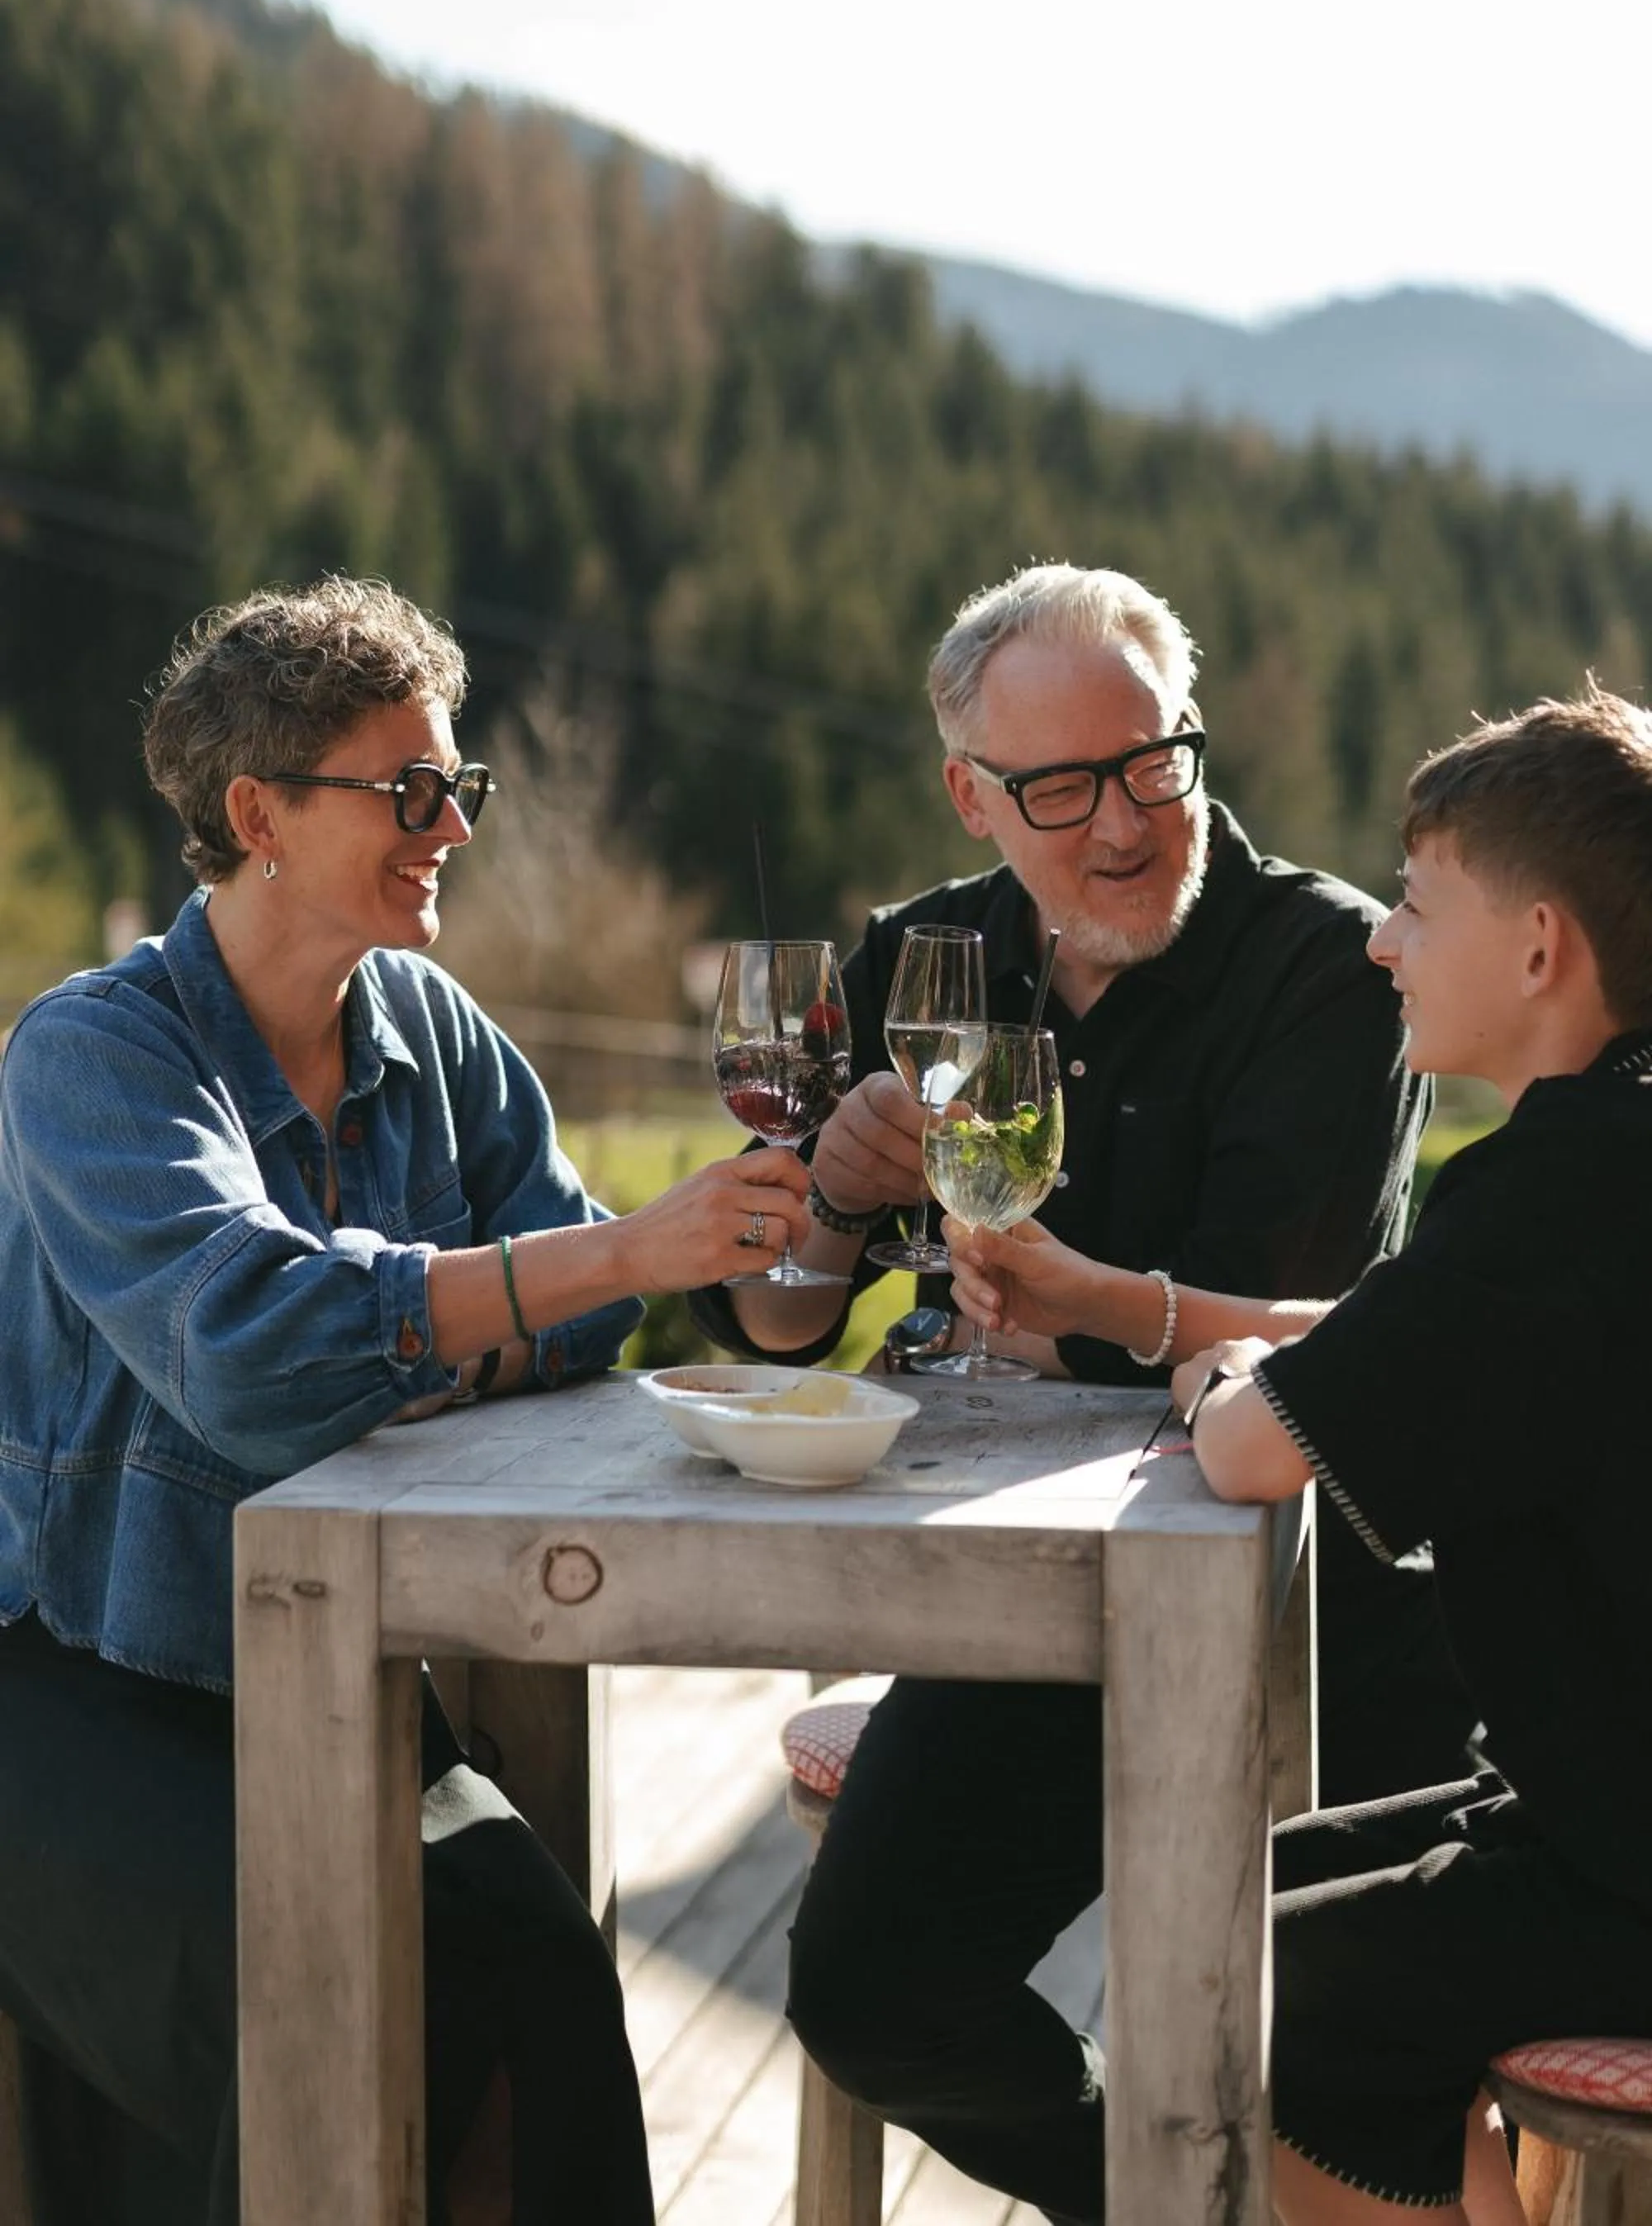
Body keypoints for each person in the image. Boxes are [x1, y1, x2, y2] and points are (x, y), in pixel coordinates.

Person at [0, 576, 809, 2226]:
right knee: (300, 1983)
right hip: (79, 1680)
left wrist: (461, 1322)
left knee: (549, 1994)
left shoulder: (427, 1027)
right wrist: (534, 1293)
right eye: (411, 789)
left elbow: (579, 1306)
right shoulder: (94, 1054)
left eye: (462, 790)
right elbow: (246, 1350)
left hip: (341, 1675)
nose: (452, 826)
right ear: (260, 813)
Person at [944, 681, 1652, 2224]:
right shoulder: (1604, 1160)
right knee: (1236, 1895)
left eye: (1414, 905)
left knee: (1243, 1974)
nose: (1382, 941)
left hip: (1626, 1863)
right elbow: (1408, 1344)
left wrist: (1230, 1377)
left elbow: (1264, 1447)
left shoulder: (1554, 1195)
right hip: (1588, 1809)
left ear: (1538, 949)